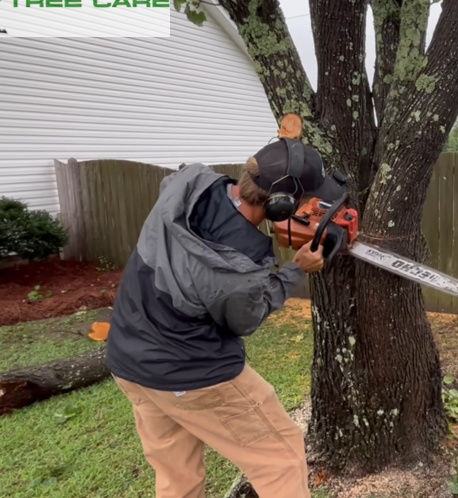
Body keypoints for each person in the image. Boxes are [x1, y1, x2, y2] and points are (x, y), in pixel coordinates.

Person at [105, 132, 344, 498]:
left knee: (177, 476)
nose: (309, 206)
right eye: (304, 201)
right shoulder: (240, 267)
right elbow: (245, 319)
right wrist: (296, 270)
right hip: (191, 372)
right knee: (280, 458)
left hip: (129, 361)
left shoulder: (191, 183)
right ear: (281, 207)